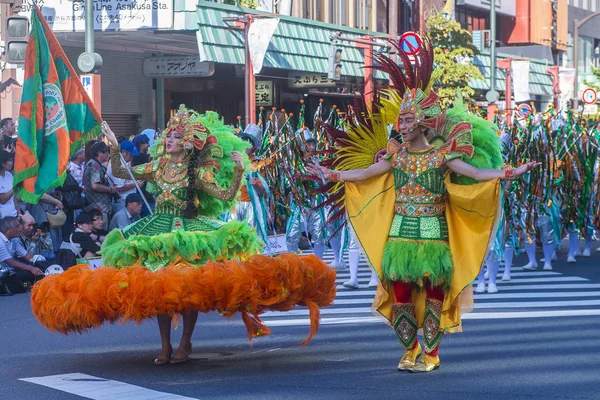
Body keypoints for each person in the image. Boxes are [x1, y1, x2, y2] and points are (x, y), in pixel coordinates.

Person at [307, 35, 540, 373]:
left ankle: (431, 353)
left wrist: (510, 171)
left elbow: (474, 172)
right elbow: (368, 173)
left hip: (434, 231)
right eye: (400, 120)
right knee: (400, 292)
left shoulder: (442, 154)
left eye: (405, 120)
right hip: (400, 231)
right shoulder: (396, 154)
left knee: (433, 294)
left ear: (420, 123)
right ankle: (410, 348)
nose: (400, 125)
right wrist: (332, 173)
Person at [0, 216, 46, 289]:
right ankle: (25, 285)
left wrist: (38, 261)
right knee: (24, 275)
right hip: (4, 273)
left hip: (11, 271)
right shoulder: (0, 241)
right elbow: (11, 263)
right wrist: (31, 268)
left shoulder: (13, 240)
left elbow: (27, 255)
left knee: (39, 266)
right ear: (8, 231)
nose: (20, 228)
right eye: (17, 226)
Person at [83, 141, 116, 228]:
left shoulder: (93, 164)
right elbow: (95, 186)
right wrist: (109, 189)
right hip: (97, 207)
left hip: (96, 206)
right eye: (106, 152)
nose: (108, 155)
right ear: (99, 153)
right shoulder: (95, 166)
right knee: (101, 233)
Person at [107, 140, 142, 214]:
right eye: (130, 154)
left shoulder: (125, 164)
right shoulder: (117, 165)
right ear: (123, 152)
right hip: (122, 201)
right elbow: (119, 187)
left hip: (128, 201)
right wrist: (135, 184)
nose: (132, 157)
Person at [0, 150, 20, 219]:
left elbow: (13, 198)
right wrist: (15, 187)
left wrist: (19, 213)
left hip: (14, 214)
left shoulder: (9, 175)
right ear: (3, 164)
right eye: (10, 161)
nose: (12, 163)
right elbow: (3, 200)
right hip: (4, 218)